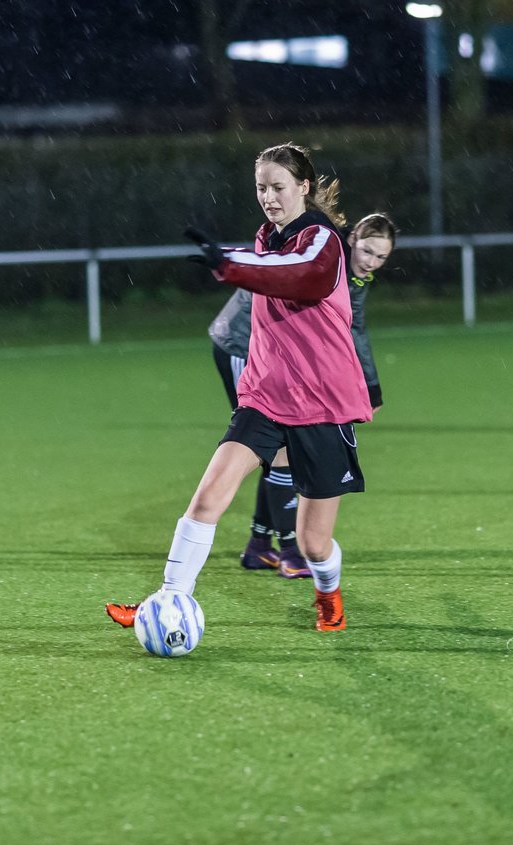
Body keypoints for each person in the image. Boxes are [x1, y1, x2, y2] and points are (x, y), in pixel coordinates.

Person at [107, 142, 371, 632]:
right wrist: (232, 256)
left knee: (313, 543)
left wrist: (227, 261)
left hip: (322, 403)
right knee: (208, 498)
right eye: (260, 188)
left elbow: (300, 276)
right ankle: (165, 600)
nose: (269, 197)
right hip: (268, 398)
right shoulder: (266, 239)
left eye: (278, 187)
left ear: (304, 187)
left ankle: (328, 594)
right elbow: (263, 261)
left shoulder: (324, 240)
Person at [208, 213, 397, 578]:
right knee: (275, 449)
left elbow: (351, 326)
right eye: (368, 251)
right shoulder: (326, 253)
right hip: (242, 344)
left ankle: (260, 545)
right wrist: (369, 385)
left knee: (279, 451)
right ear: (353, 238)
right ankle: (291, 551)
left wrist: (369, 385)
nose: (371, 262)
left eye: (380, 258)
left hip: (277, 357)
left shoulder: (353, 269)